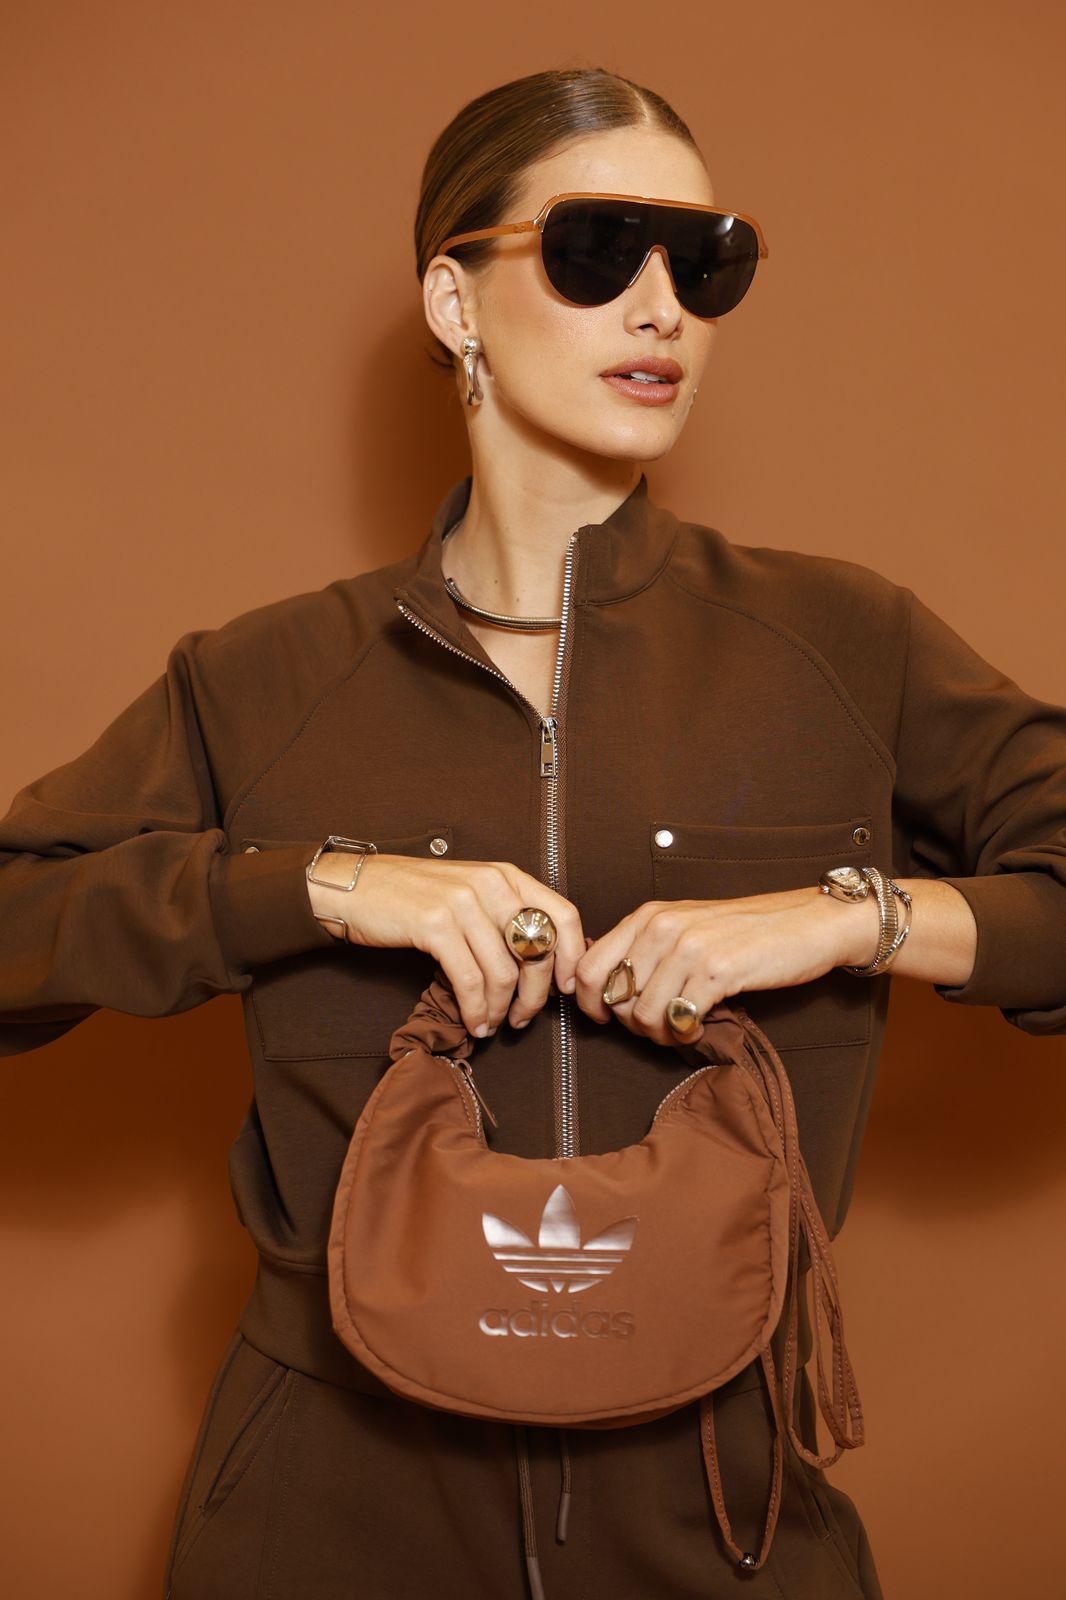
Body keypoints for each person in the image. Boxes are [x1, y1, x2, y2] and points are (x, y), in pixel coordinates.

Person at [3, 65, 1065, 1600]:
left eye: (704, 263)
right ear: (454, 301)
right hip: (326, 1517)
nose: (661, 308)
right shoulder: (263, 677)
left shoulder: (842, 643)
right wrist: (317, 889)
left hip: (719, 1513)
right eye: (595, 250)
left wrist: (855, 915)